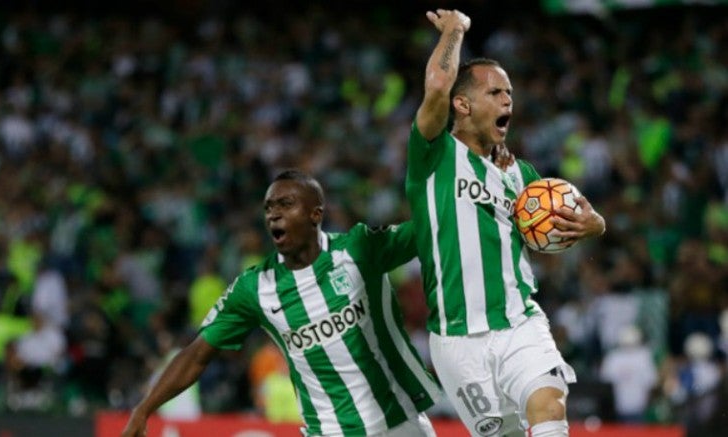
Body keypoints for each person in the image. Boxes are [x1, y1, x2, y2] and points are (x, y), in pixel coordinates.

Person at [406, 9, 606, 437]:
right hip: (457, 341)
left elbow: (582, 214)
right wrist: (456, 29)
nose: (507, 101)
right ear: (463, 104)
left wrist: (595, 226)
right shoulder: (432, 155)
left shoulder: (524, 176)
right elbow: (438, 84)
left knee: (549, 406)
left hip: (519, 323)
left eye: (509, 93)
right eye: (495, 92)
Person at [121, 169, 441, 437]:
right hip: (330, 432)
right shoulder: (255, 288)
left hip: (402, 424)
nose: (274, 213)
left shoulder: (359, 249)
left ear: (316, 213)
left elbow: (433, 229)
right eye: (269, 207)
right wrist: (145, 408)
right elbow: (196, 354)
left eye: (286, 204)